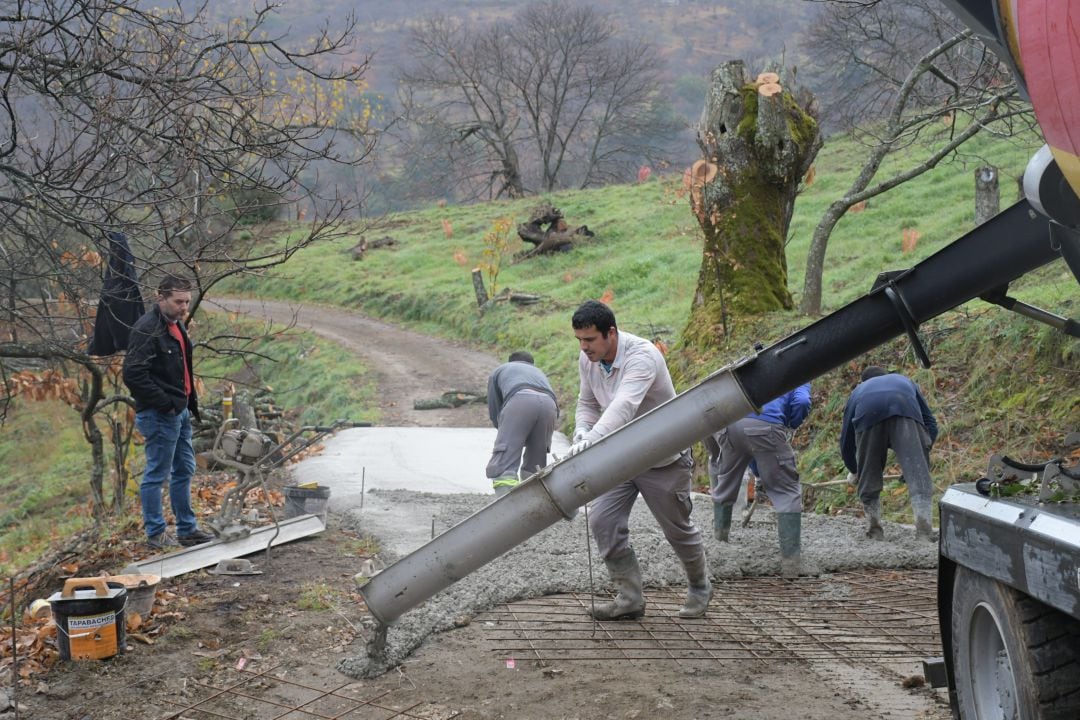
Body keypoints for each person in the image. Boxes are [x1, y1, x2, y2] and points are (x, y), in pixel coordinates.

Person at [568, 300, 711, 619]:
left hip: (663, 456)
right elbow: (587, 402)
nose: (584, 347)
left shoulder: (643, 356)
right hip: (621, 457)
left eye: (590, 340)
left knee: (676, 528)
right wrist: (581, 430)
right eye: (579, 340)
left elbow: (624, 405)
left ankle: (700, 586)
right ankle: (629, 597)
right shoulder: (587, 359)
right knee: (603, 520)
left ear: (611, 333)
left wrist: (594, 438)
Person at [123, 276, 215, 550]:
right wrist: (165, 404)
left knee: (185, 468)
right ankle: (156, 533)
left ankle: (187, 529)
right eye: (178, 301)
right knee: (156, 474)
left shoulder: (176, 325)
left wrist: (183, 405)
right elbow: (133, 374)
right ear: (160, 297)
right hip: (161, 413)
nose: (184, 307)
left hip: (179, 410)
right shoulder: (147, 329)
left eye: (187, 301)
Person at [705, 384, 811, 578]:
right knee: (787, 491)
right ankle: (792, 563)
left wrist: (761, 475)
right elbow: (802, 402)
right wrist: (790, 424)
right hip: (766, 425)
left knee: (725, 485)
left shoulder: (754, 368)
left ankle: (719, 551)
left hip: (730, 425)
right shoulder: (798, 369)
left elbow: (752, 449)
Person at [840, 366, 938, 541]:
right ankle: (924, 532)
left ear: (864, 382)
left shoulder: (858, 391)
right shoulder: (905, 381)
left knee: (869, 477)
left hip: (869, 415)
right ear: (887, 376)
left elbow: (846, 439)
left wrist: (855, 470)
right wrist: (920, 457)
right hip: (904, 407)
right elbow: (930, 422)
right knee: (919, 477)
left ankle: (874, 531)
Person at [485, 351, 558, 496]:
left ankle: (507, 504)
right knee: (536, 465)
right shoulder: (538, 372)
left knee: (505, 463)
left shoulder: (501, 370)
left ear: (510, 361)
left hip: (520, 400)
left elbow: (495, 407)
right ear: (531, 364)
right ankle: (533, 501)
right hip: (550, 406)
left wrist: (507, 432)